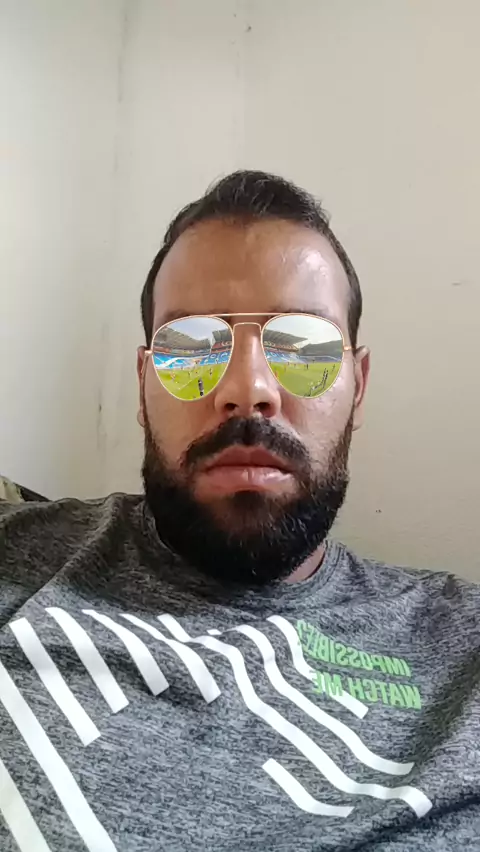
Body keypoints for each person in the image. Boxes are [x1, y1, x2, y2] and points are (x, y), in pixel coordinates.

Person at [0, 170, 479, 852]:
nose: (248, 388)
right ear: (142, 384)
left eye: (304, 348)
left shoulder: (463, 649)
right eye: (189, 348)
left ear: (358, 388)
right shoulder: (16, 557)